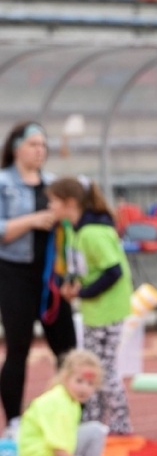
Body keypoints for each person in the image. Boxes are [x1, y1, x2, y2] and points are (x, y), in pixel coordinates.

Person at [0, 122, 76, 436]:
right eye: (33, 144)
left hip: (52, 277)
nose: (39, 150)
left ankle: (71, 414)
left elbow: (74, 224)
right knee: (18, 346)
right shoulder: (4, 183)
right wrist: (33, 220)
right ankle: (15, 420)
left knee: (67, 348)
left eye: (43, 145)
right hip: (15, 274)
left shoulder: (53, 184)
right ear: (17, 147)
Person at [47, 177, 133, 435]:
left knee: (103, 371)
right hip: (95, 311)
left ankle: (121, 425)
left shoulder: (93, 233)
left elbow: (113, 271)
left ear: (69, 203)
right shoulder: (75, 231)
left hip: (108, 310)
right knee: (93, 367)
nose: (50, 206)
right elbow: (83, 266)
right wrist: (72, 284)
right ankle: (93, 423)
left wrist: (82, 293)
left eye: (53, 202)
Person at [17, 347, 108, 456]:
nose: (84, 388)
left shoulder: (67, 399)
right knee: (96, 431)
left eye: (90, 384)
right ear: (66, 378)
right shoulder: (60, 404)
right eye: (79, 381)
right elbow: (59, 450)